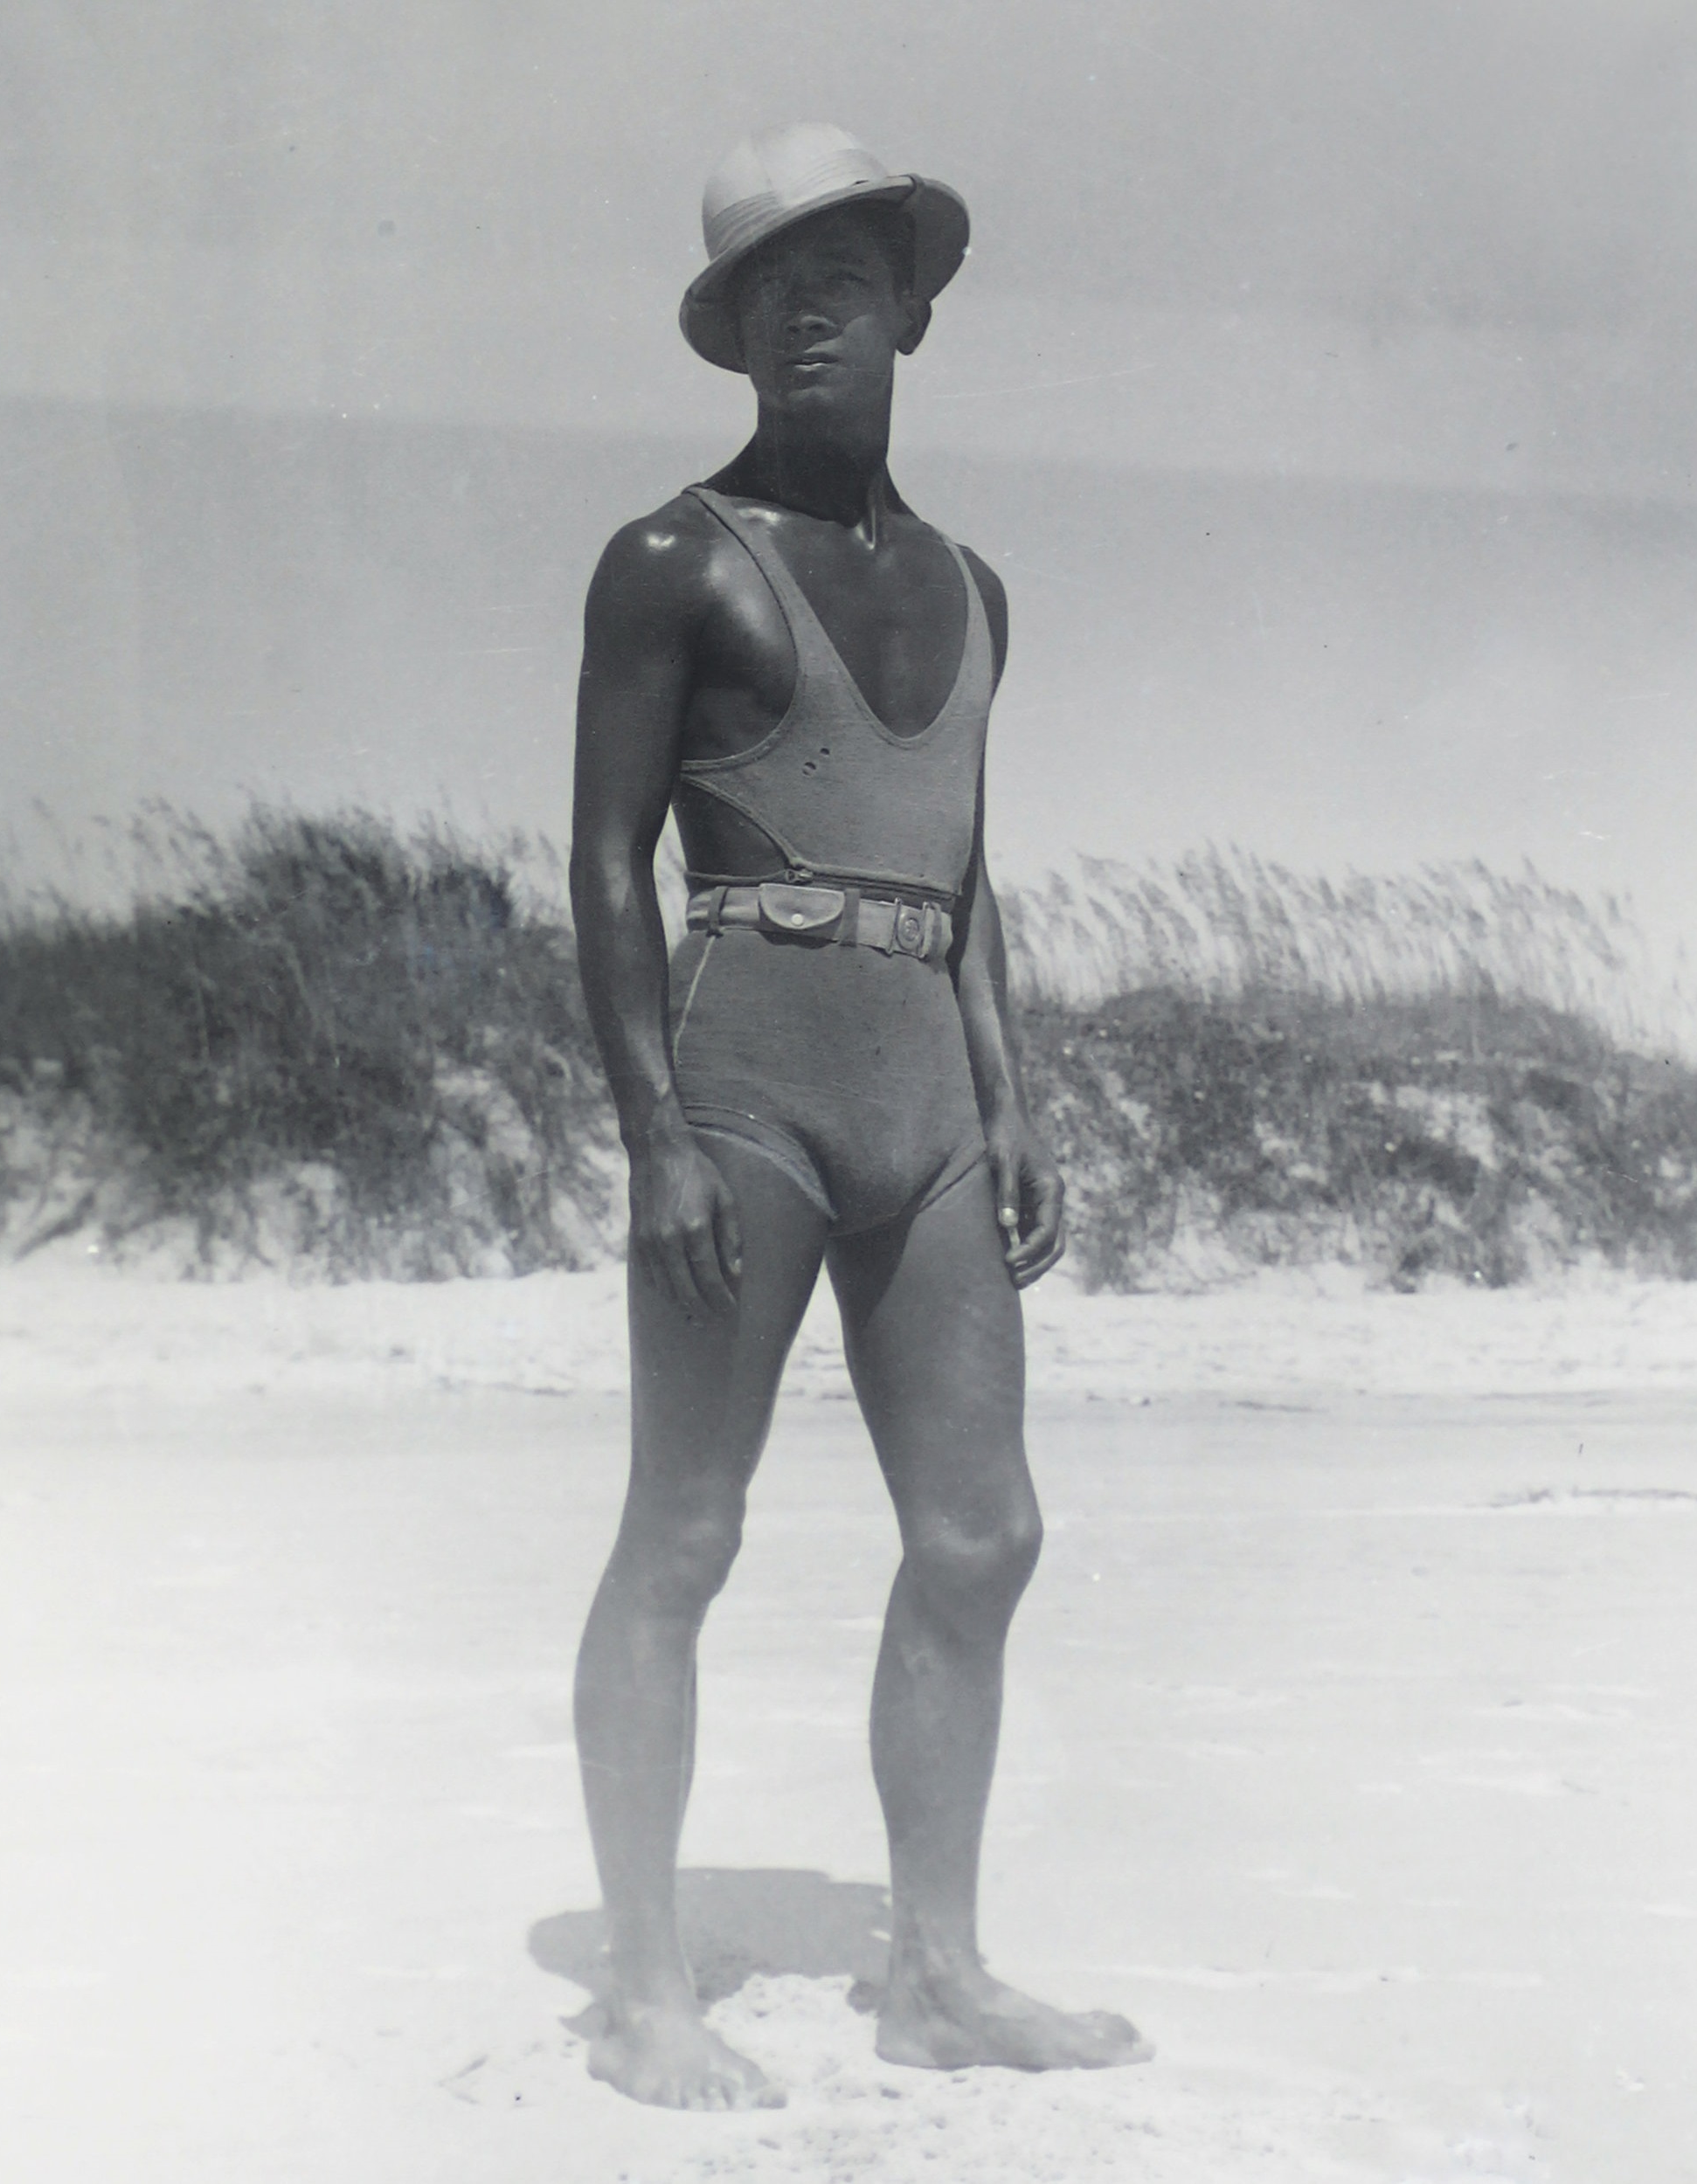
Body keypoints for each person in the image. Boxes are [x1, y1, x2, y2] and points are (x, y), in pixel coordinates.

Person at [566, 123, 1149, 2111]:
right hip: (745, 1086)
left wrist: (1013, 1089)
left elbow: (967, 868)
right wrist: (649, 1127)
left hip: (926, 1091)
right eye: (766, 289)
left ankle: (937, 1965)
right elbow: (604, 860)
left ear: (912, 304)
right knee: (686, 1529)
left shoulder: (978, 589)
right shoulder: (669, 562)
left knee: (982, 1535)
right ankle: (644, 1984)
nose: (808, 311)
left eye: (844, 273)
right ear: (727, 335)